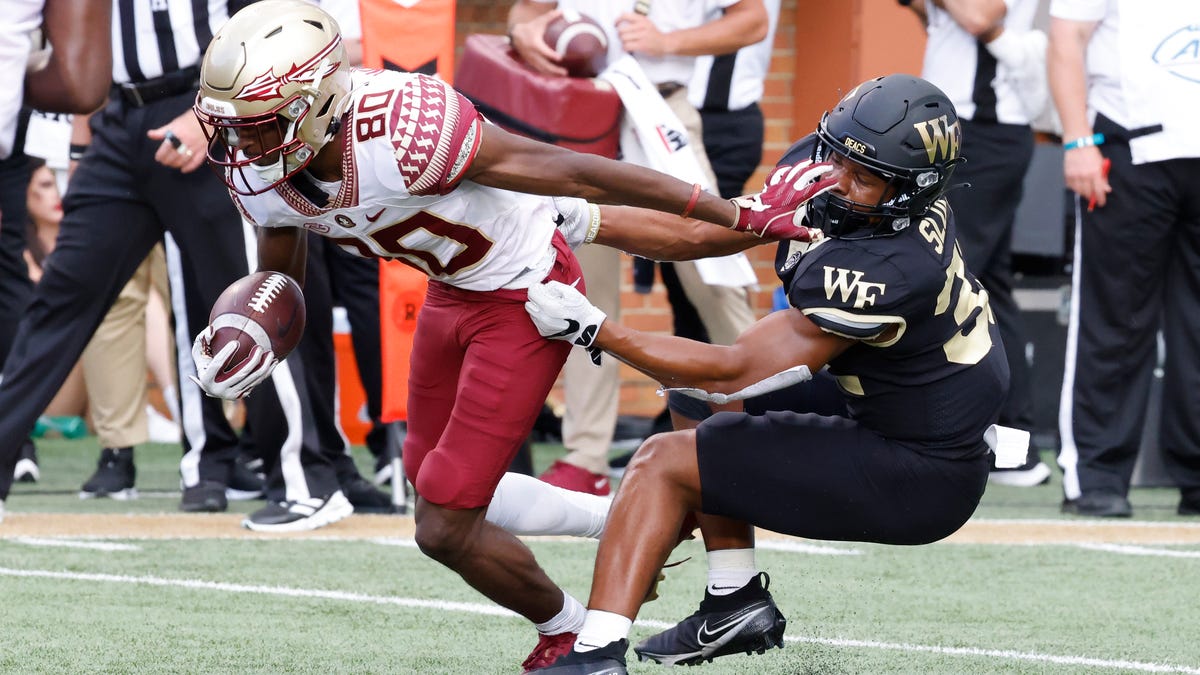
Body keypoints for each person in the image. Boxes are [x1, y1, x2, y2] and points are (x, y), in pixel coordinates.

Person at [188, 1, 816, 668]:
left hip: (526, 292)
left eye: (258, 127)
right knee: (433, 486)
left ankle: (572, 632)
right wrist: (249, 331)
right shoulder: (260, 172)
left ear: (316, 103)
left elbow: (581, 174)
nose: (242, 148)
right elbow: (281, 274)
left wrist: (724, 209)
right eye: (231, 127)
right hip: (452, 290)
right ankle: (626, 522)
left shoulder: (401, 127)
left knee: (442, 525)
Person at [523, 74, 1012, 672]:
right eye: (838, 156)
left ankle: (593, 654)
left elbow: (735, 369)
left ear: (911, 191)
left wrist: (595, 329)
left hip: (923, 468)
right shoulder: (851, 169)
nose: (839, 179)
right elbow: (725, 226)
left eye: (864, 178)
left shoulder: (891, 266)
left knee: (662, 460)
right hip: (891, 402)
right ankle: (735, 599)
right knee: (693, 401)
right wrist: (587, 220)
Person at [507, 0, 767, 496]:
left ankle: (781, 423)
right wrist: (525, 33)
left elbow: (752, 20)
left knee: (714, 271)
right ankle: (586, 457)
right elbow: (526, 10)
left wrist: (669, 42)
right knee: (581, 286)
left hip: (660, 111)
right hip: (581, 115)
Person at [1048, 0, 1200, 517]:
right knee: (1117, 318)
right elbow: (1066, 38)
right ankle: (1097, 473)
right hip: (1129, 152)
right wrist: (1077, 141)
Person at [906, 0, 1052, 487]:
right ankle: (1015, 446)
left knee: (944, 276)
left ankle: (962, 435)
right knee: (989, 284)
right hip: (953, 129)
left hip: (987, 133)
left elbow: (980, 15)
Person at [0, 0, 111, 523]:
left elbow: (73, 65)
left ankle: (15, 443)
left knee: (15, 286)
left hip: (12, 134)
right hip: (19, 125)